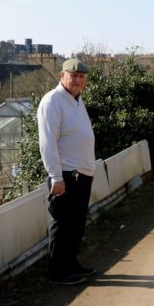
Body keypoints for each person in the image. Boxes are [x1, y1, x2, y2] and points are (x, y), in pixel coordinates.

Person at [37, 58, 96, 285]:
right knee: (62, 225)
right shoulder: (53, 101)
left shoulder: (77, 101)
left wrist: (90, 167)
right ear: (62, 76)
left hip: (82, 173)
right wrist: (56, 177)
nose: (78, 80)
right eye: (74, 76)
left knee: (76, 224)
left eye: (82, 77)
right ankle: (58, 272)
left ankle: (71, 264)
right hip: (65, 175)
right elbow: (47, 143)